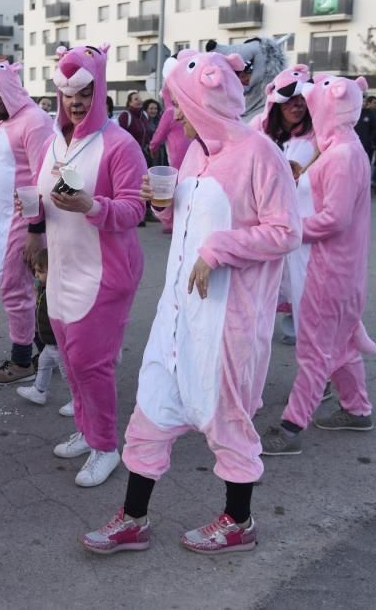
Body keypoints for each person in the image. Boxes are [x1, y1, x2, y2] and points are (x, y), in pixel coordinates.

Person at [79, 49, 300, 556]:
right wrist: (164, 206)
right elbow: (190, 220)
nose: (172, 113)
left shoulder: (258, 153)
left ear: (202, 98)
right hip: (177, 312)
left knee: (227, 418)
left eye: (178, 101)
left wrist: (220, 249)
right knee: (151, 409)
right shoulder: (197, 153)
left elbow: (286, 231)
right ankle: (133, 517)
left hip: (226, 319)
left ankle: (238, 521)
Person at [17, 44, 146, 488]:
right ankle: (89, 432)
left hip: (104, 273)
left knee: (93, 364)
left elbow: (134, 210)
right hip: (62, 269)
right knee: (71, 359)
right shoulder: (55, 141)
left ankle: (107, 446)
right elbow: (42, 195)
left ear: (100, 90)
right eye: (69, 94)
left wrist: (92, 205)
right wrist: (33, 227)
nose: (76, 102)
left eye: (86, 92)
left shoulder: (120, 144)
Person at [261, 74, 376, 457]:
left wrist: (288, 231)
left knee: (314, 353)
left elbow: (334, 219)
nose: (305, 106)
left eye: (312, 102)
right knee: (341, 344)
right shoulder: (338, 147)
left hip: (326, 271)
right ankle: (357, 409)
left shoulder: (343, 154)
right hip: (332, 268)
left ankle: (292, 428)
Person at [0, 61, 53, 386]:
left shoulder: (34, 121)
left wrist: (36, 230)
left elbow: (42, 177)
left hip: (22, 220)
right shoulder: (6, 122)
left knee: (13, 287)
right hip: (3, 219)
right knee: (23, 289)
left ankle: (22, 362)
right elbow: (11, 167)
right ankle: (47, 353)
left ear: (9, 91)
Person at [251, 64, 316, 347]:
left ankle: (307, 345)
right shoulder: (259, 131)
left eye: (302, 101)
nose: (297, 106)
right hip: (266, 224)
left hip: (304, 226)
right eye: (290, 101)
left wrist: (304, 172)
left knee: (304, 288)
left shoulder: (319, 135)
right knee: (264, 287)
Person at [15, 249, 72, 414]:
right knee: (43, 363)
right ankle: (39, 391)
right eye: (35, 271)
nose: (37, 276)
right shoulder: (45, 288)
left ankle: (79, 401)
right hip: (50, 342)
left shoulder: (59, 292)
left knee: (68, 374)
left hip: (59, 342)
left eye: (40, 271)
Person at [118, 91, 152, 165]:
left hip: (145, 155)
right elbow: (120, 137)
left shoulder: (144, 115)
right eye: (136, 99)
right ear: (130, 103)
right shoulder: (125, 116)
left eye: (140, 99)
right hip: (130, 155)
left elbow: (147, 135)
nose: (139, 101)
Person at [354, 95, 376, 164]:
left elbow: (375, 128)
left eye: (364, 101)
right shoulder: (351, 113)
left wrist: (369, 140)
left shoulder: (370, 114)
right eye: (362, 101)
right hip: (352, 145)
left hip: (365, 145)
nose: (363, 103)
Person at [142, 99, 165, 165]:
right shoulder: (142, 121)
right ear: (146, 110)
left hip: (160, 151)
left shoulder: (160, 120)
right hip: (147, 152)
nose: (154, 111)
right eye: (151, 108)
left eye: (155, 108)